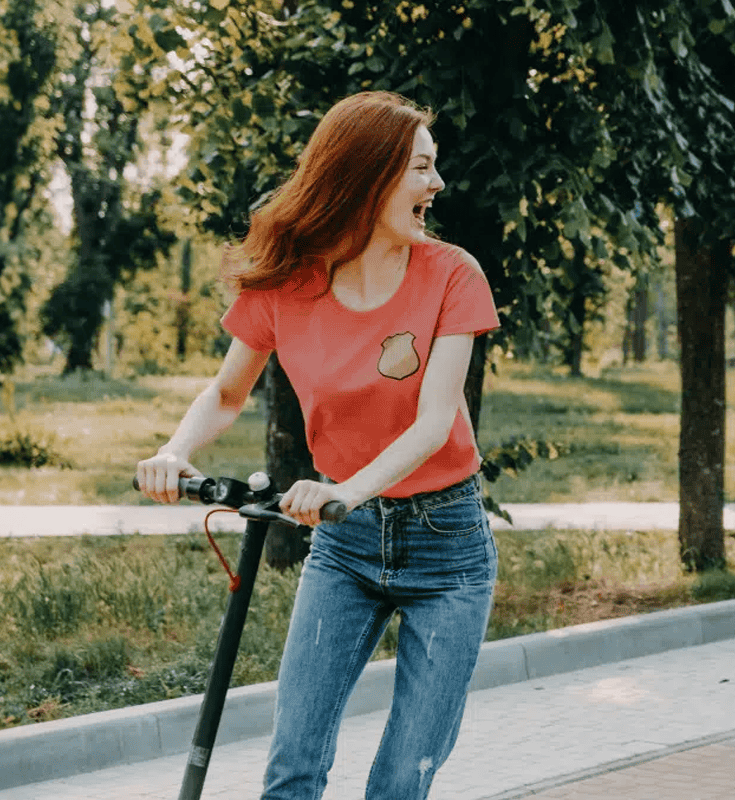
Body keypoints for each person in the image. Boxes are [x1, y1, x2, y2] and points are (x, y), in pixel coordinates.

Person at [134, 91, 500, 800]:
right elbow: (226, 394)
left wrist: (346, 489)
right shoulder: (287, 284)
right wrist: (176, 450)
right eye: (422, 168)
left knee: (400, 782)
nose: (438, 184)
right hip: (345, 547)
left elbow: (433, 424)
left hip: (446, 546)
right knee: (292, 770)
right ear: (369, 177)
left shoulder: (452, 275)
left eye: (435, 168)